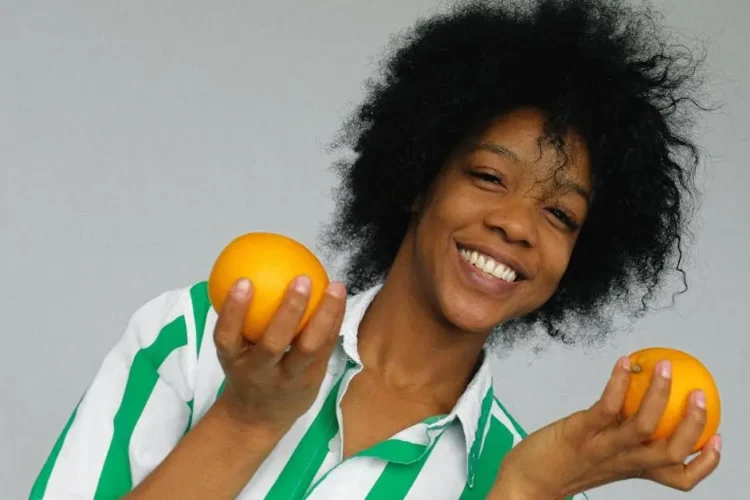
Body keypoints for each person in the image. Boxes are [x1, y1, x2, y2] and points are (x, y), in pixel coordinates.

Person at [30, 0, 721, 498]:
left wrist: (525, 490)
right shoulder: (200, 331)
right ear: (418, 179)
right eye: (487, 176)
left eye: (560, 214)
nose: (516, 225)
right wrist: (245, 420)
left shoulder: (520, 469)